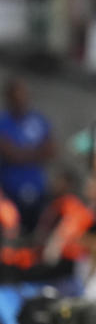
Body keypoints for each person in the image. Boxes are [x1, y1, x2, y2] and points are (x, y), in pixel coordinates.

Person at [0, 76, 57, 233]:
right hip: (9, 191)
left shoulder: (38, 120)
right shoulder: (3, 122)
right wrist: (36, 152)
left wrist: (22, 153)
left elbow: (51, 150)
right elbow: (10, 154)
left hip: (37, 188)